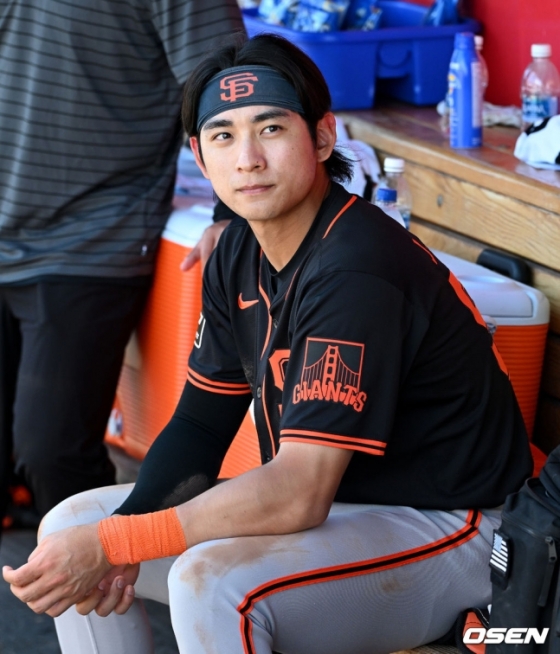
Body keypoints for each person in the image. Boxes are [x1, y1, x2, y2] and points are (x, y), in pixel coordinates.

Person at [4, 33, 533, 654]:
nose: (248, 158)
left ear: (323, 137)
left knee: (212, 585)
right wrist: (115, 537)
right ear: (200, 156)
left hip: (457, 527)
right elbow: (200, 427)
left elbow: (299, 492)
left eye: (271, 129)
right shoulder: (237, 248)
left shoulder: (356, 268)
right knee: (72, 526)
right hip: (352, 509)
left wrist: (121, 543)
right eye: (223, 136)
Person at [0, 0, 244, 534]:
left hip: (88, 239)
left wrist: (233, 212)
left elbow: (232, 80)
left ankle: (107, 569)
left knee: (52, 454)